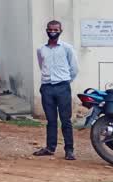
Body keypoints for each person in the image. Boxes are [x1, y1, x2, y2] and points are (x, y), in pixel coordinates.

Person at [33, 20, 79, 160]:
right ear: (46, 30)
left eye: (56, 29)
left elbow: (74, 69)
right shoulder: (41, 49)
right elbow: (42, 66)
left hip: (62, 87)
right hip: (47, 88)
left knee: (66, 120)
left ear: (60, 30)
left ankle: (69, 150)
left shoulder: (67, 48)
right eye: (50, 29)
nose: (53, 32)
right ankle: (50, 147)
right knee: (51, 120)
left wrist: (65, 81)